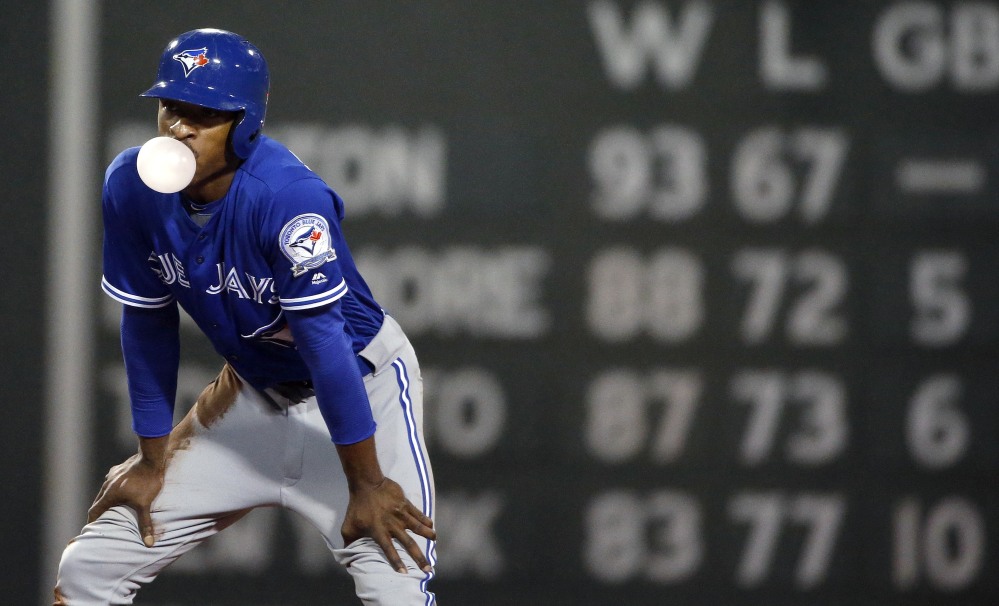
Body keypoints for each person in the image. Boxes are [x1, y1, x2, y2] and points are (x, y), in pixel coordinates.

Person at [54, 28, 437, 605]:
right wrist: (153, 456)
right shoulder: (132, 186)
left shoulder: (289, 200)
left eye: (204, 113)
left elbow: (325, 343)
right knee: (90, 566)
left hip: (361, 391)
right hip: (249, 400)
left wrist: (369, 483)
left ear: (246, 123)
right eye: (171, 107)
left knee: (400, 594)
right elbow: (147, 321)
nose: (180, 126)